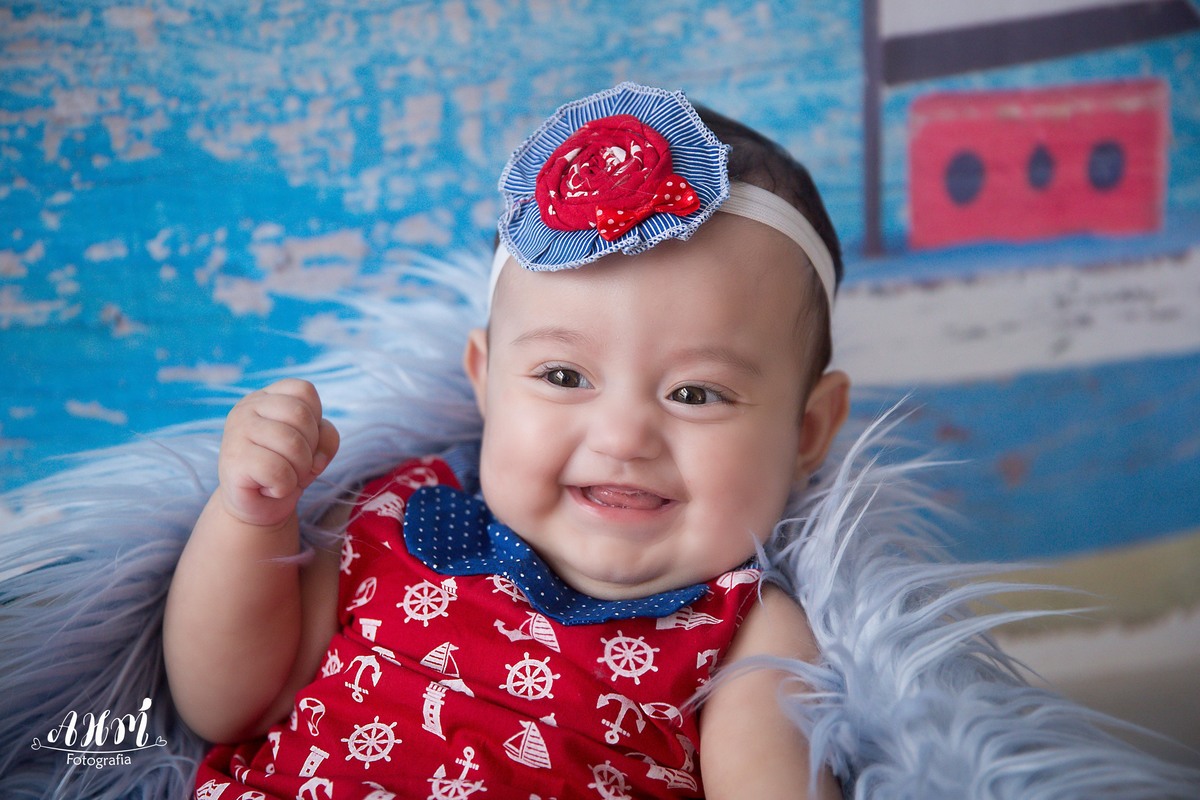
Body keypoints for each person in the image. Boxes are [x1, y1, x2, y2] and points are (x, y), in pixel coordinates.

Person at [164, 82, 849, 799]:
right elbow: (227, 706)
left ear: (807, 431)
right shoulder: (394, 520)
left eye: (696, 394)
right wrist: (251, 517)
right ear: (486, 382)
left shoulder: (744, 641)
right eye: (563, 375)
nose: (622, 438)